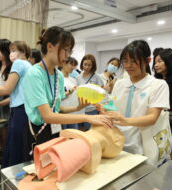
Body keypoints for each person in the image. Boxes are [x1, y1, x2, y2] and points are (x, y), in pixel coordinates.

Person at [23, 26, 112, 161]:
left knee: (54, 165)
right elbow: (47, 116)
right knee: (40, 169)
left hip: (55, 128)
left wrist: (77, 109)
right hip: (38, 130)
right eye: (65, 49)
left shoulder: (58, 75)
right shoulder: (34, 74)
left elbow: (58, 108)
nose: (67, 55)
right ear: (50, 46)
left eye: (69, 51)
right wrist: (86, 118)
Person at [104, 40, 169, 158]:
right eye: (125, 61)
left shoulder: (158, 85)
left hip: (142, 147)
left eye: (133, 61)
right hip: (117, 143)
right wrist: (103, 109)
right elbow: (111, 108)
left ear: (148, 61)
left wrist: (125, 121)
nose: (128, 65)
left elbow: (152, 117)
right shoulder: (119, 84)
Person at [153, 48, 172, 161]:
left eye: (160, 61)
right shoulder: (161, 78)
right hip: (160, 119)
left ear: (169, 61)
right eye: (155, 62)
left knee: (165, 150)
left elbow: (164, 102)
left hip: (169, 120)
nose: (156, 65)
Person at [77, 54, 104, 130]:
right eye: (85, 64)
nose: (87, 67)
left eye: (89, 65)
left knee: (91, 131)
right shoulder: (78, 77)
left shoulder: (97, 77)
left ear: (93, 66)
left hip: (92, 109)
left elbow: (101, 93)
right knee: (80, 132)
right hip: (80, 109)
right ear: (82, 64)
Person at [59, 57, 81, 129]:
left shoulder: (73, 80)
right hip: (62, 113)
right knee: (64, 137)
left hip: (73, 113)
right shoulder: (57, 78)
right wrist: (68, 92)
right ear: (63, 64)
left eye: (74, 65)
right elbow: (56, 97)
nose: (73, 67)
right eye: (71, 64)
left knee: (73, 136)